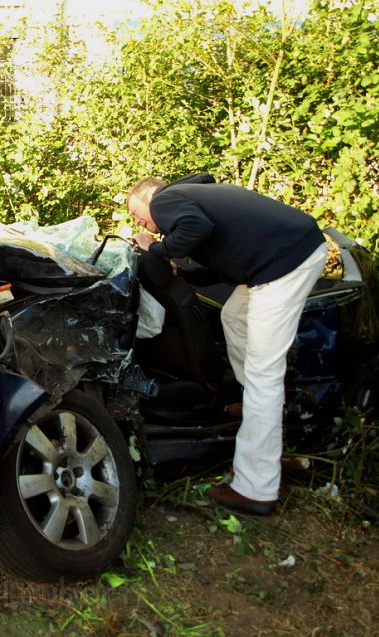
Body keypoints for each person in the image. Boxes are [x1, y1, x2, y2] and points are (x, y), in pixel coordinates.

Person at [128, 174, 328, 515]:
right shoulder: (194, 197)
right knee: (234, 316)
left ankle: (256, 488)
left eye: (136, 215)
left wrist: (154, 248)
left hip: (284, 263)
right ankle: (253, 406)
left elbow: (194, 226)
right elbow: (218, 260)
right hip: (287, 254)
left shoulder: (165, 199)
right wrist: (181, 268)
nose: (139, 222)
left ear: (147, 197)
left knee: (264, 373)